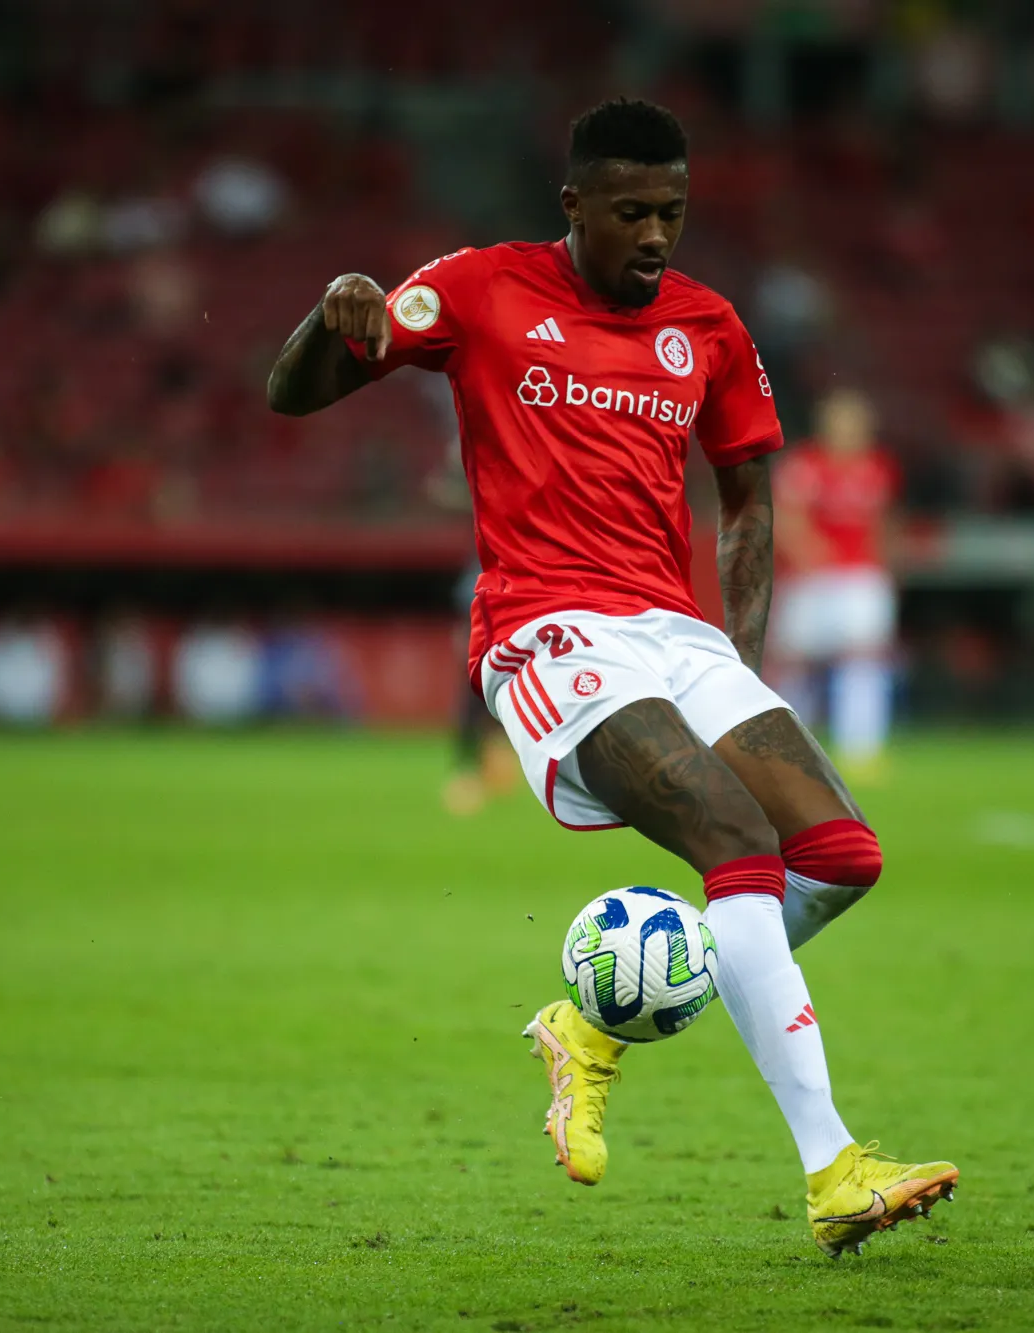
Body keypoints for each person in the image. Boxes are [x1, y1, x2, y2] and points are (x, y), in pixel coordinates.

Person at [266, 98, 956, 1257]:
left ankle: (589, 1027)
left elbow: (745, 499)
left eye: (672, 214)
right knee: (736, 849)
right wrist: (326, 320)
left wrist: (735, 648)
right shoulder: (484, 287)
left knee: (841, 856)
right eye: (631, 212)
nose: (654, 236)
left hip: (678, 635)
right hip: (545, 629)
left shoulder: (710, 326)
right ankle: (834, 1167)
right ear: (572, 205)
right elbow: (295, 391)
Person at [770, 389, 902, 775]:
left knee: (863, 661)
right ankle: (787, 744)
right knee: (795, 663)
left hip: (861, 578)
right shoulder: (804, 465)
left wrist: (884, 566)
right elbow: (787, 516)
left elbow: (884, 522)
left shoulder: (879, 466)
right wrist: (809, 552)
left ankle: (861, 749)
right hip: (811, 579)